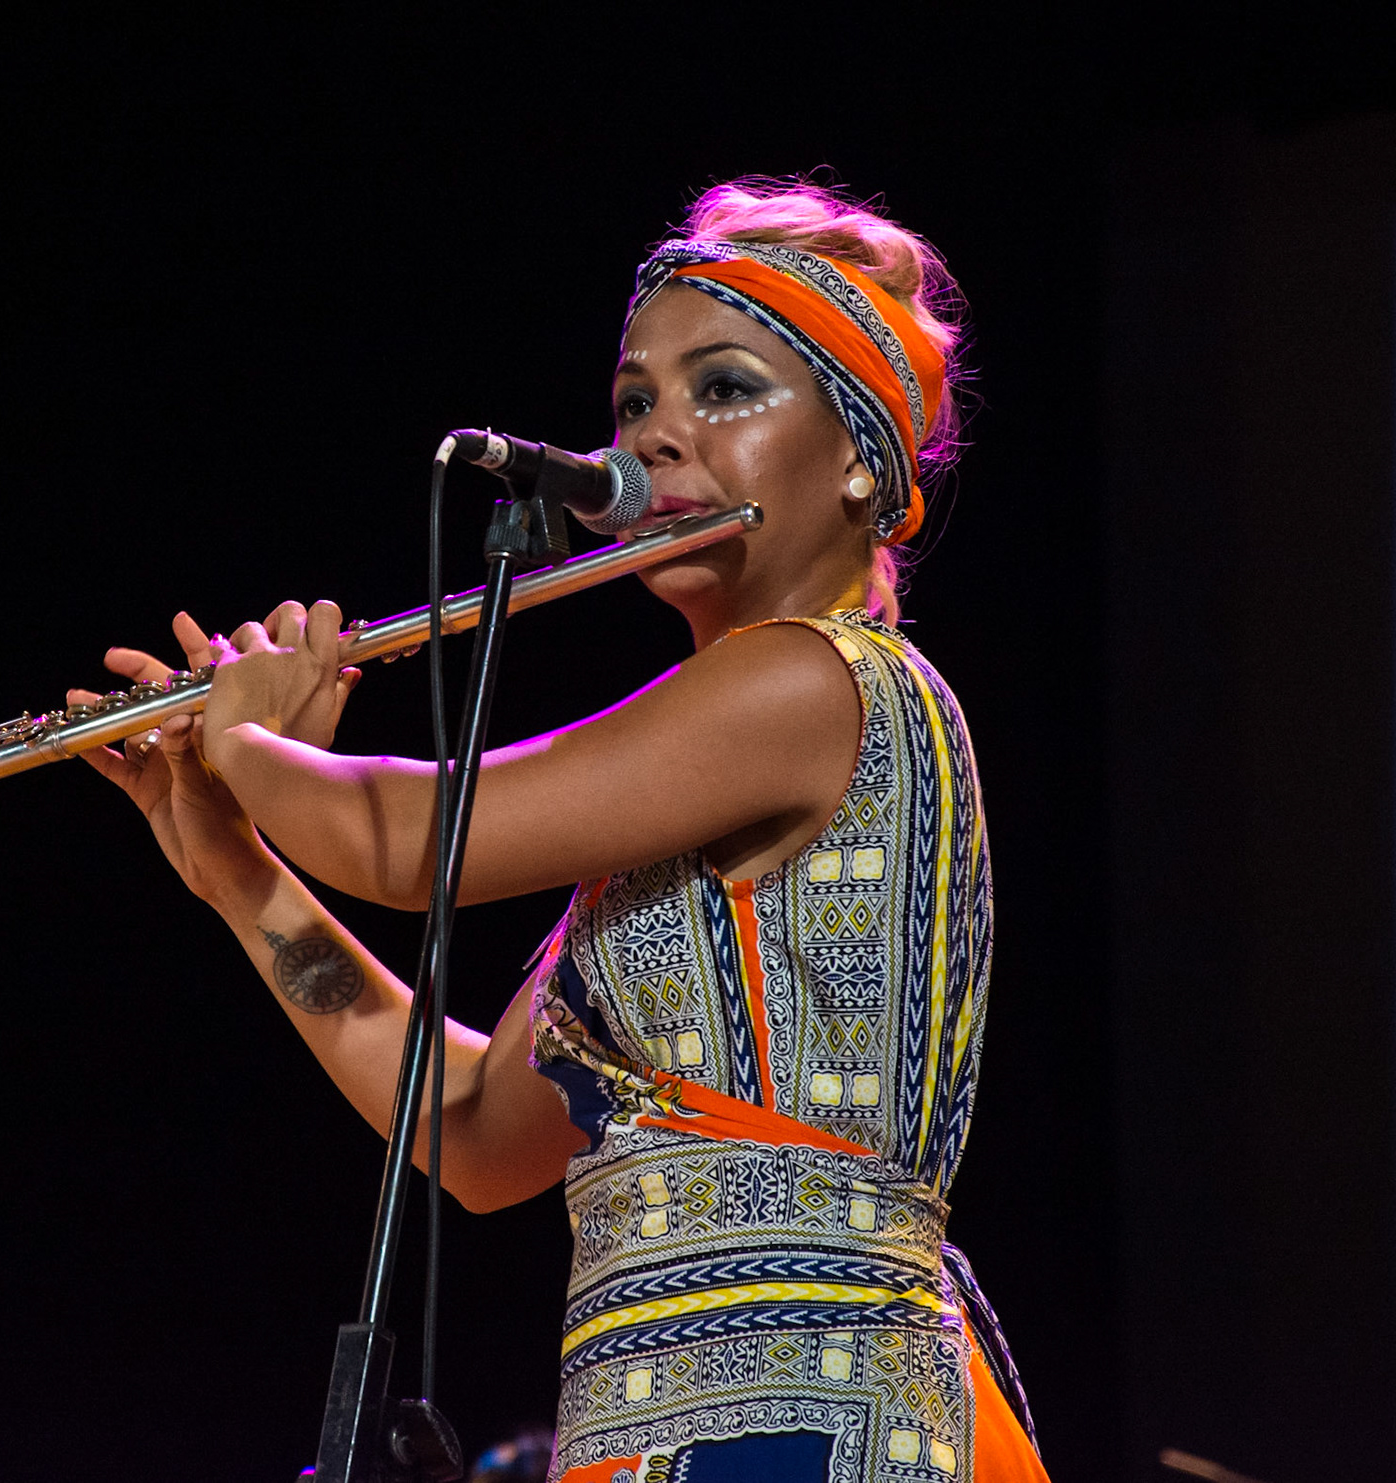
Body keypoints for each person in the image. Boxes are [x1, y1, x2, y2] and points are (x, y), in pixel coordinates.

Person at [69, 179, 1051, 1483]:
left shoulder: (817, 682)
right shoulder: (671, 833)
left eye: (726, 389)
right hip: (657, 1437)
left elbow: (414, 847)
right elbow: (475, 1134)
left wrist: (252, 740)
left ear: (860, 456)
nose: (658, 438)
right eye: (636, 402)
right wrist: (236, 869)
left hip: (815, 1421)